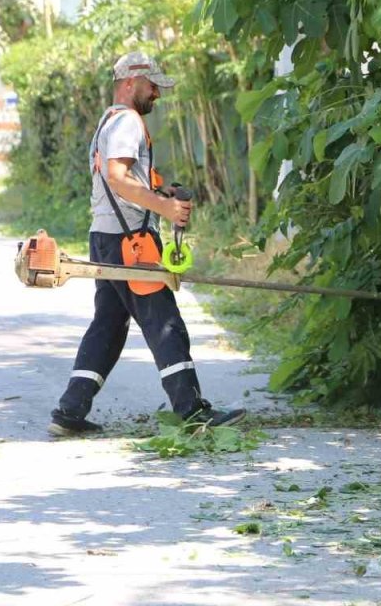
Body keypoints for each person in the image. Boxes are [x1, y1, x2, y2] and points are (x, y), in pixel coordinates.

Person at [49, 52, 246, 437]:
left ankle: (70, 409)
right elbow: (119, 178)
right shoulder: (127, 120)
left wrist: (158, 190)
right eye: (151, 84)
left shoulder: (108, 121)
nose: (156, 92)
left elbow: (123, 182)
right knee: (164, 323)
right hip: (131, 242)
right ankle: (191, 411)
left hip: (105, 237)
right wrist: (166, 207)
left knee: (108, 325)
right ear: (129, 83)